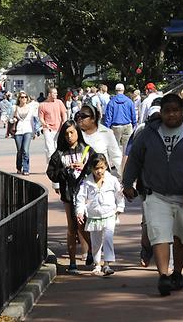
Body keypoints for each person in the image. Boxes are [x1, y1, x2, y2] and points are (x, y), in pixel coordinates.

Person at [122, 93, 183, 297]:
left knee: (181, 238)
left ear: (182, 112)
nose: (171, 115)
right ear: (161, 113)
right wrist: (127, 182)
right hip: (156, 194)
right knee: (159, 234)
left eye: (176, 111)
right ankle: (163, 276)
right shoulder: (148, 133)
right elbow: (134, 158)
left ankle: (177, 272)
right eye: (167, 111)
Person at [46, 119, 96, 273]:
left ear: (77, 133)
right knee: (72, 227)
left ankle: (93, 252)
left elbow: (99, 167)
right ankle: (73, 262)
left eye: (72, 132)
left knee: (84, 225)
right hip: (68, 194)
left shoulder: (87, 150)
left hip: (86, 194)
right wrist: (65, 170)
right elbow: (51, 173)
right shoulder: (59, 153)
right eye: (66, 133)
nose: (69, 136)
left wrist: (85, 168)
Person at [75, 154, 125, 276]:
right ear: (91, 168)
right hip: (94, 216)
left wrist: (119, 208)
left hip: (110, 214)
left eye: (102, 168)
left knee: (108, 238)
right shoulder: (87, 182)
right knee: (96, 241)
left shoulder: (112, 180)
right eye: (96, 168)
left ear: (106, 166)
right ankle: (97, 264)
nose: (99, 171)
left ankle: (107, 264)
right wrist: (80, 212)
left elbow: (119, 195)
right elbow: (80, 199)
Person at [74, 105, 123, 173]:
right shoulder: (74, 133)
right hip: (80, 178)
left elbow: (116, 157)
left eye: (83, 116)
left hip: (101, 177)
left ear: (93, 118)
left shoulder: (106, 133)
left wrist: (124, 176)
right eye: (78, 115)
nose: (79, 118)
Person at [103, 83, 137, 160]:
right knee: (127, 147)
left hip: (116, 126)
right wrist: (134, 123)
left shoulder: (111, 102)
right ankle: (126, 163)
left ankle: (117, 163)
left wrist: (106, 128)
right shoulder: (129, 101)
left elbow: (108, 116)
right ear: (123, 90)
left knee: (115, 146)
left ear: (115, 91)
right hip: (128, 125)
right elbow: (133, 114)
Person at [38, 87, 67, 170]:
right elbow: (41, 118)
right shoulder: (42, 105)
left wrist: (64, 122)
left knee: (57, 147)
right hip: (48, 129)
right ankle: (51, 165)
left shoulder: (59, 102)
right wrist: (44, 124)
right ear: (49, 94)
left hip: (59, 128)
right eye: (54, 93)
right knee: (50, 148)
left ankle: (57, 163)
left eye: (56, 93)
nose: (56, 95)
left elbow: (64, 113)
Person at [10, 91, 38, 175]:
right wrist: (13, 120)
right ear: (19, 98)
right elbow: (10, 119)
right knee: (20, 151)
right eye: (22, 97)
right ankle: (19, 167)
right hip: (18, 131)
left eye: (25, 97)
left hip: (28, 130)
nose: (24, 99)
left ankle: (26, 169)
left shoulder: (31, 107)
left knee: (25, 150)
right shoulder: (15, 107)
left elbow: (35, 119)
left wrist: (35, 131)